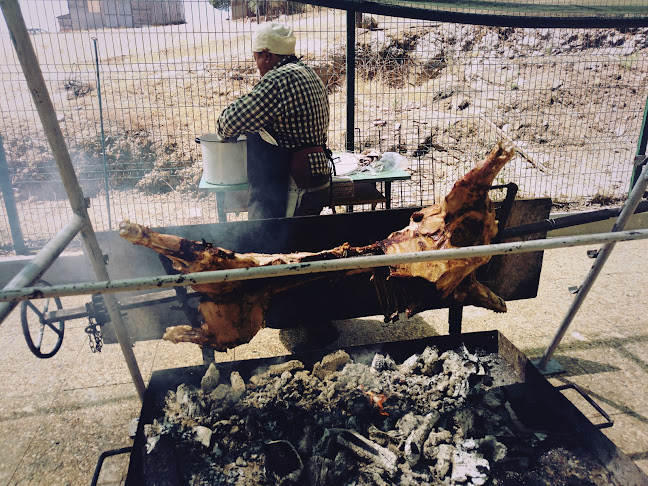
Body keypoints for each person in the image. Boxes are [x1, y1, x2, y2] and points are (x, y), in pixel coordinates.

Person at [216, 22, 332, 219]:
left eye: (256, 58)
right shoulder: (308, 73)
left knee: (274, 248)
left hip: (290, 188)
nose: (258, 66)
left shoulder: (277, 80)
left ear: (266, 54)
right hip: (318, 179)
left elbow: (228, 123)